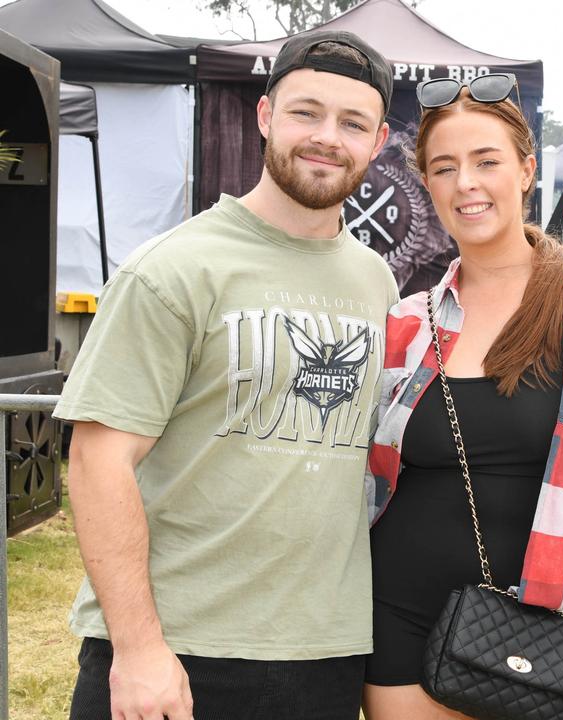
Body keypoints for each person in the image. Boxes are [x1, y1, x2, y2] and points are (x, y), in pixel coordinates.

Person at [53, 29, 400, 720]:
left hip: (322, 657)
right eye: (306, 112)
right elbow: (98, 460)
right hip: (177, 655)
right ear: (266, 116)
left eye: (352, 122)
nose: (327, 137)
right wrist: (140, 648)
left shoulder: (377, 282)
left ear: (378, 142)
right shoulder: (174, 268)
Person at [361, 73, 563, 720]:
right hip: (399, 628)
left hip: (555, 634)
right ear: (427, 184)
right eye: (445, 167)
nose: (467, 184)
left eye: (487, 162)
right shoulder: (404, 324)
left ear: (525, 170)